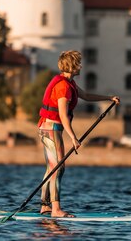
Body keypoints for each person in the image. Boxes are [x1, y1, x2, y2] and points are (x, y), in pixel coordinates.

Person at [38, 50, 120, 218]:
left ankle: (45, 206)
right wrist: (73, 137)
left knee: (52, 167)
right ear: (72, 66)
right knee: (58, 167)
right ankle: (55, 210)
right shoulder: (63, 87)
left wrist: (108, 98)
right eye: (78, 63)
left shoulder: (70, 84)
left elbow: (87, 96)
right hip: (50, 128)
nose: (81, 66)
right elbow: (62, 114)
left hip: (50, 128)